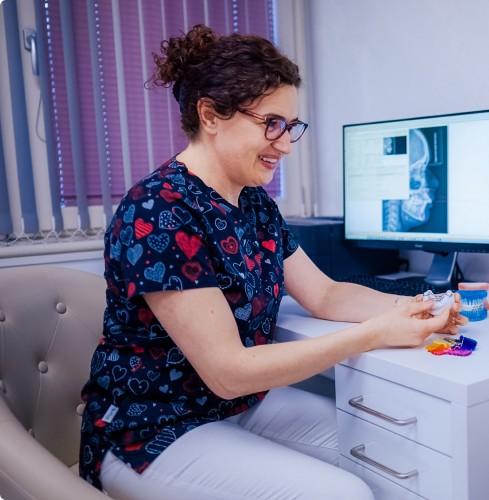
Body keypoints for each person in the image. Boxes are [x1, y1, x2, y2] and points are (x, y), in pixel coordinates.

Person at [79, 24, 466, 499]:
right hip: (151, 429)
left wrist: (417, 308)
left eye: (290, 127)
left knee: (391, 451)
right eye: (271, 124)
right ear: (211, 115)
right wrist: (373, 333)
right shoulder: (159, 210)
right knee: (344, 494)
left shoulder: (254, 203)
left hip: (235, 406)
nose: (284, 144)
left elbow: (324, 293)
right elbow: (228, 371)